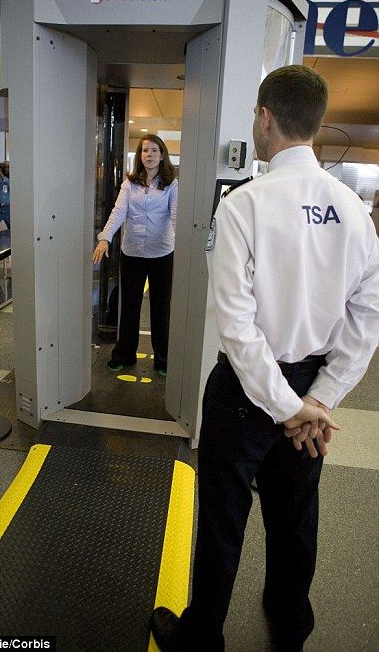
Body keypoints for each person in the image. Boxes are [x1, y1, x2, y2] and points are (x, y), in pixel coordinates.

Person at [150, 65, 379, 651]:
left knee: (224, 520)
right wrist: (316, 401)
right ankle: (290, 625)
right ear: (317, 122)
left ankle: (203, 637)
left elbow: (237, 325)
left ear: (265, 118)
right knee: (296, 516)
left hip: (249, 392)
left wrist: (286, 406)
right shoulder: (354, 211)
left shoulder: (244, 206)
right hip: (310, 388)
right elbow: (366, 320)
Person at [93, 134, 178, 375]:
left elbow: (176, 216)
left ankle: (163, 359)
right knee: (129, 305)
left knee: (161, 308)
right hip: (132, 253)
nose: (148, 155)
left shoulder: (171, 183)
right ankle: (124, 354)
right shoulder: (130, 183)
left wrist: (185, 245)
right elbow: (118, 212)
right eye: (144, 151)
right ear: (139, 156)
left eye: (153, 150)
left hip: (162, 253)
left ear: (162, 155)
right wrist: (104, 238)